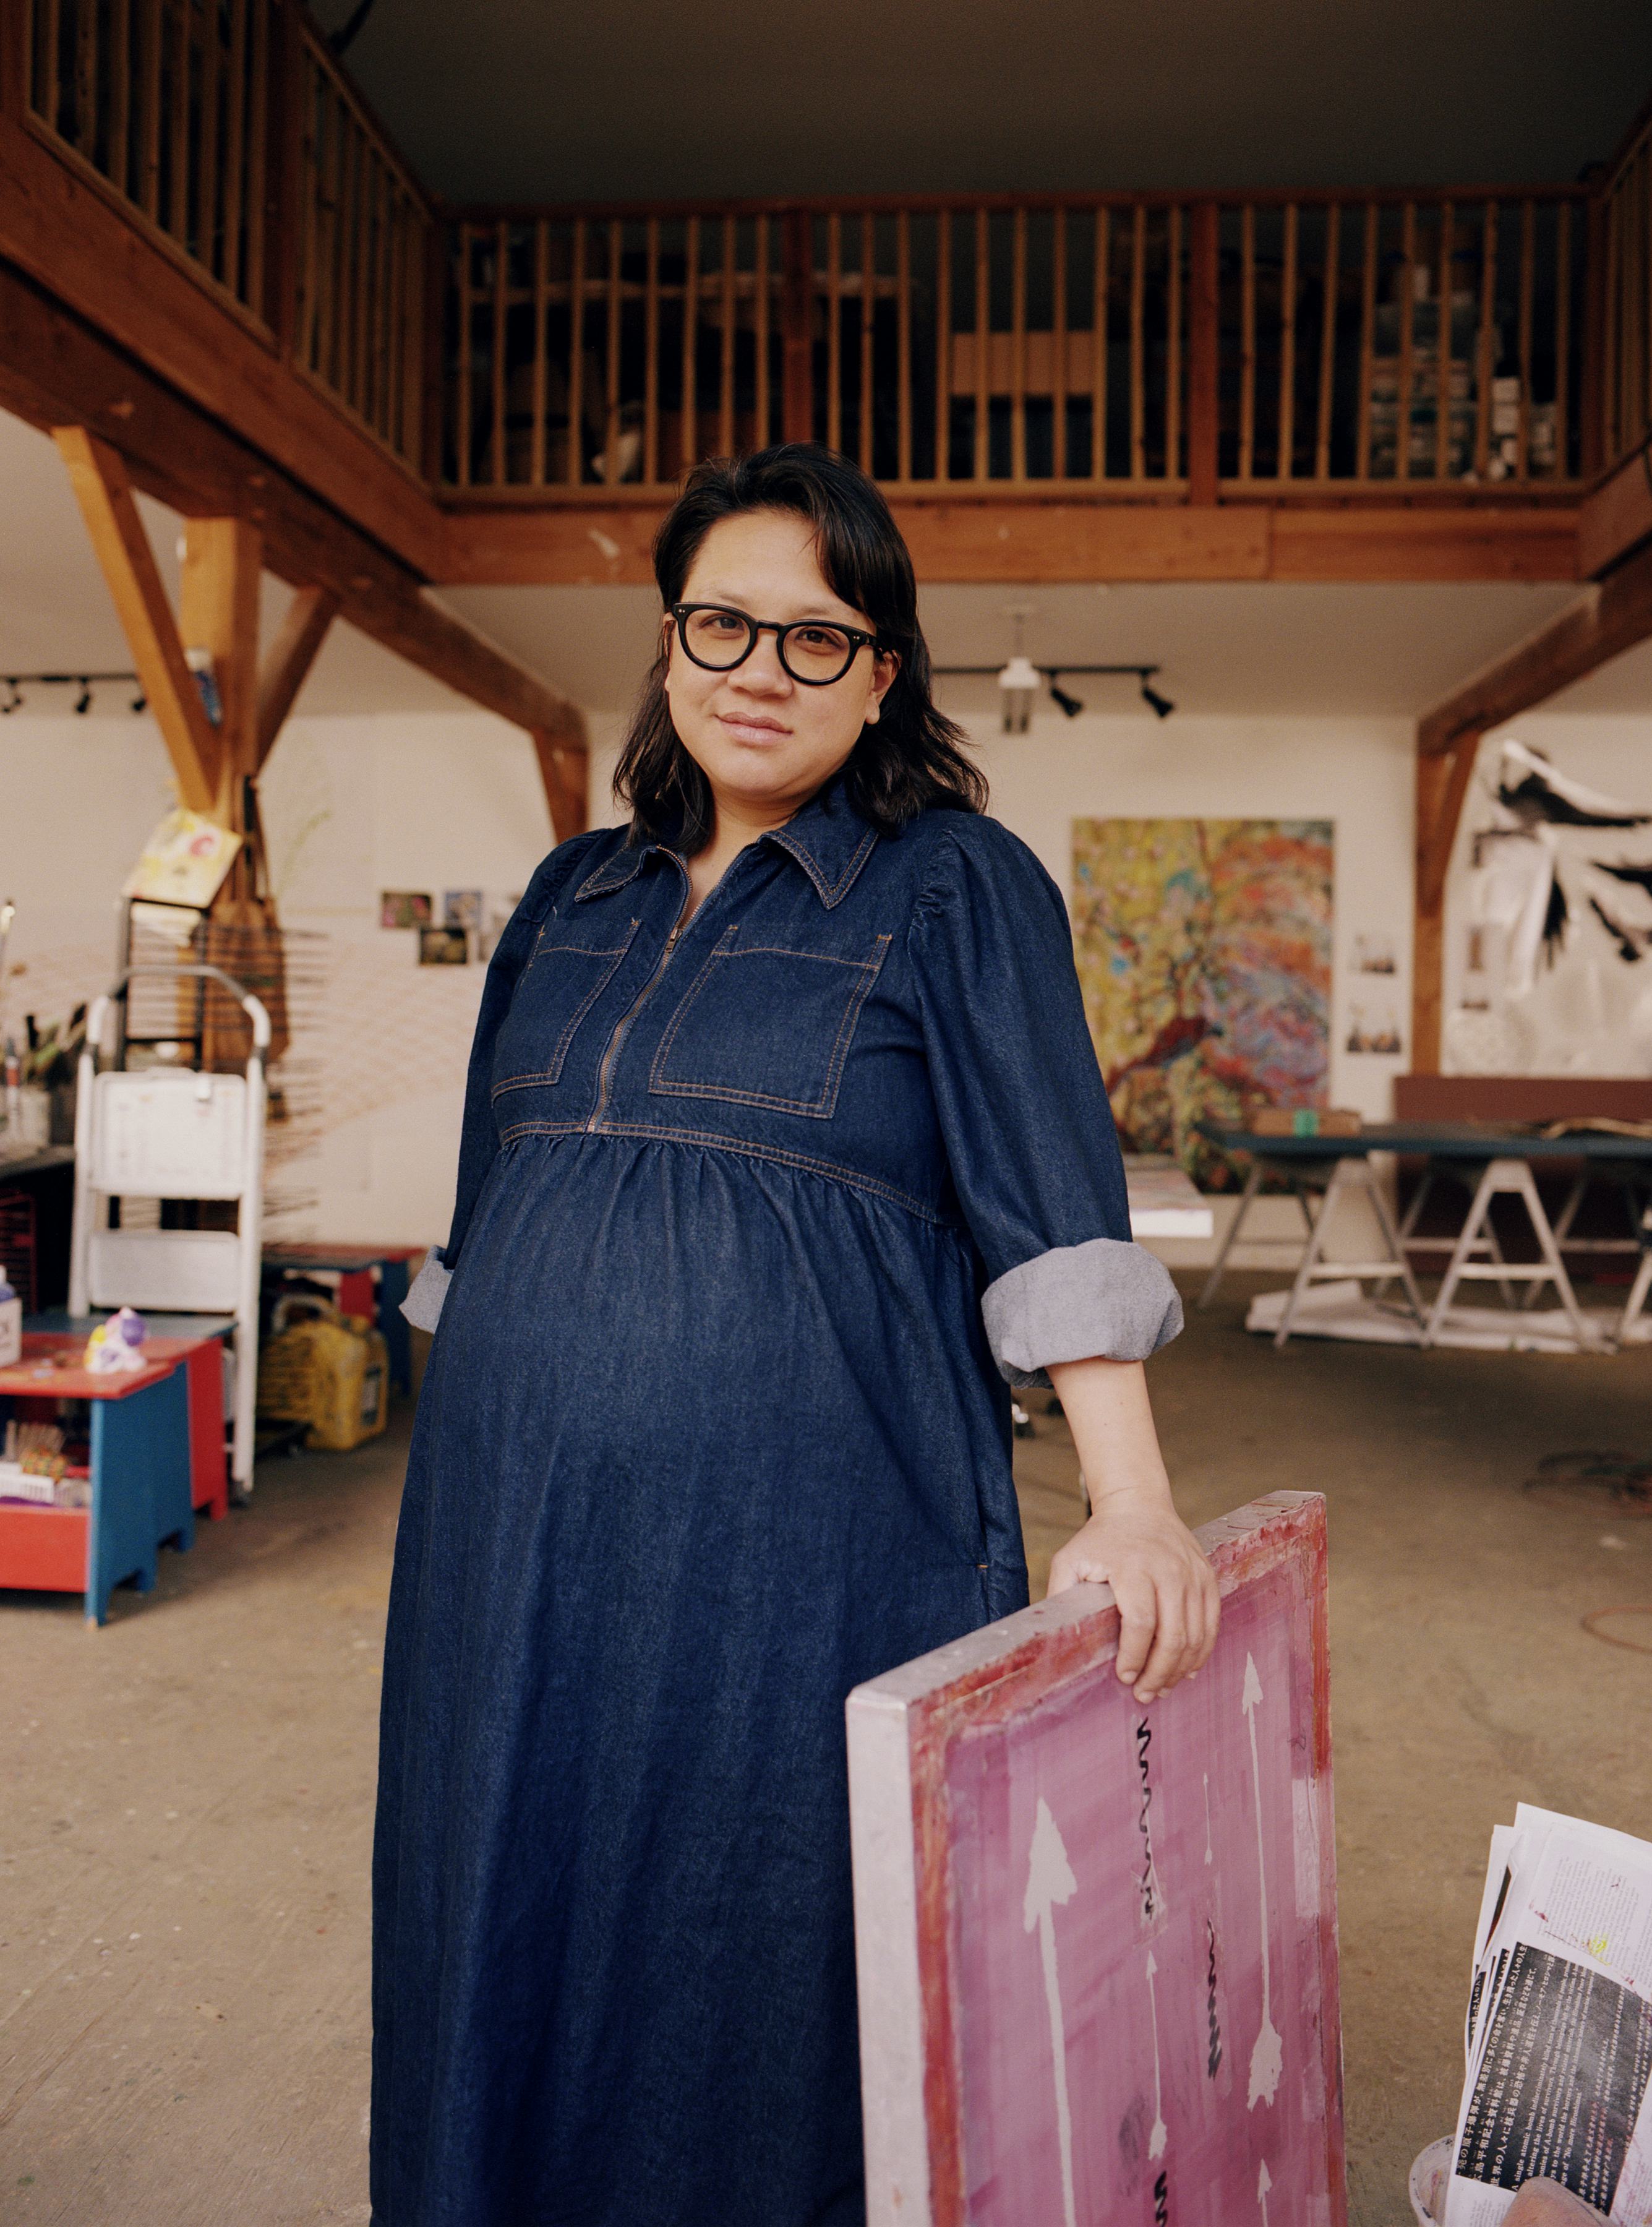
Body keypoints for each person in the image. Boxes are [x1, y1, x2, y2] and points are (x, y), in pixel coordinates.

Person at [372, 445, 1220, 2227]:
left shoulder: (952, 886)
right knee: (499, 1905)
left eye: (818, 637)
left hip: (809, 1555)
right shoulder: (565, 900)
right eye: (726, 624)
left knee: (759, 1945)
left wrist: (1130, 1500)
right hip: (508, 1552)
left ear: (882, 675)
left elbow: (1054, 1204)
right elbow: (486, 1213)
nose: (763, 668)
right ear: (670, 646)